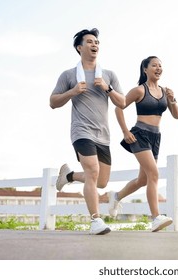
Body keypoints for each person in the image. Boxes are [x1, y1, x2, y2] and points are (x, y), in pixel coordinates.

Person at [49, 28, 125, 235]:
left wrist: (107, 89)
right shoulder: (69, 75)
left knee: (101, 181)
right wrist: (72, 92)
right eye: (90, 42)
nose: (95, 45)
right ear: (79, 47)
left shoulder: (108, 75)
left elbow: (123, 102)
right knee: (92, 172)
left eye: (97, 42)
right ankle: (95, 221)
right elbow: (53, 102)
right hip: (81, 131)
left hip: (103, 134)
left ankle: (70, 175)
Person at [108, 56, 178, 232]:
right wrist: (125, 132)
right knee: (154, 174)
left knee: (143, 179)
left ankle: (116, 197)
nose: (158, 68)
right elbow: (119, 107)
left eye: (160, 65)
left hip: (156, 137)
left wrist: (172, 99)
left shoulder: (165, 91)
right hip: (139, 134)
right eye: (154, 65)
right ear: (145, 69)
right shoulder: (140, 90)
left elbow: (177, 115)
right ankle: (156, 217)